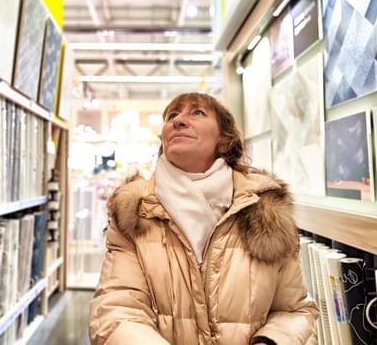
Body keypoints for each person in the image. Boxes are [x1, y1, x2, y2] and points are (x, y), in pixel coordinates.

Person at [88, 92, 319, 345]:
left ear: (224, 138)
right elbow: (116, 311)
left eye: (197, 112)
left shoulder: (266, 213)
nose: (179, 121)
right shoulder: (135, 214)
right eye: (172, 115)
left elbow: (294, 311)